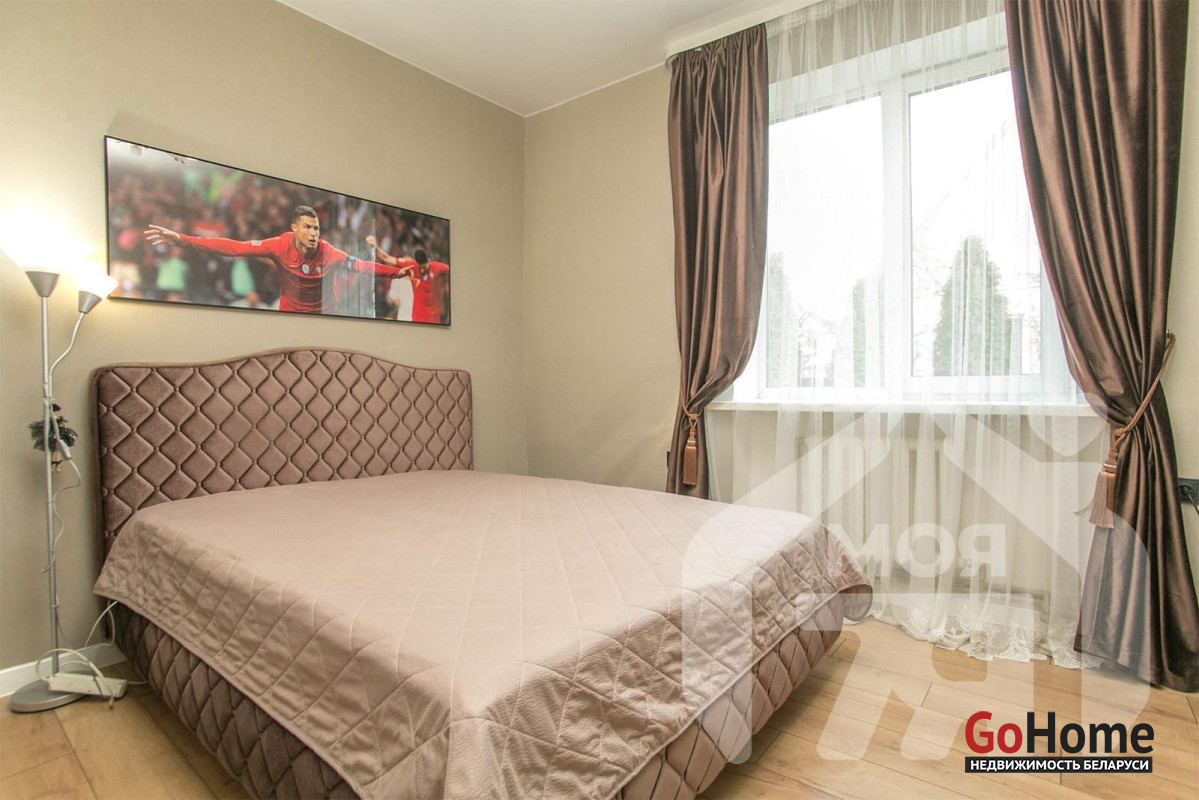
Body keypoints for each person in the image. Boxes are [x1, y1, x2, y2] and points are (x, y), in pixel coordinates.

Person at [145, 206, 410, 314]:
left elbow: (361, 266)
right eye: (307, 227)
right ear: (294, 228)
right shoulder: (278, 245)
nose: (313, 233)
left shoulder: (328, 252)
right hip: (288, 315)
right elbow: (233, 247)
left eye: (316, 228)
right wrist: (183, 239)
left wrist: (395, 272)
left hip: (323, 317)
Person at [365, 235, 450, 324]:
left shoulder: (438, 267)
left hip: (434, 322)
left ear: (428, 261)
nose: (421, 270)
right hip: (416, 320)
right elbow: (386, 258)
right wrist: (375, 247)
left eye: (424, 268)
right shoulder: (412, 267)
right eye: (420, 268)